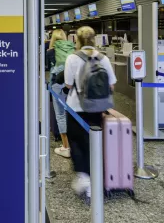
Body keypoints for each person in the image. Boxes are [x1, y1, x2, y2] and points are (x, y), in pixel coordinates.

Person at [64, 26, 117, 198]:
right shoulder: (103, 58)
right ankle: (96, 176)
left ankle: (84, 177)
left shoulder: (72, 58)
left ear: (77, 40)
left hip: (76, 107)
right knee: (93, 141)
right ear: (94, 39)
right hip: (96, 108)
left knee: (77, 142)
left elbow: (68, 85)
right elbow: (112, 85)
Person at [47, 29, 74, 158]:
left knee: (61, 115)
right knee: (73, 114)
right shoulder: (72, 50)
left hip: (57, 85)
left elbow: (49, 69)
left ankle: (66, 147)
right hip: (71, 85)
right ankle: (76, 144)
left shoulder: (50, 51)